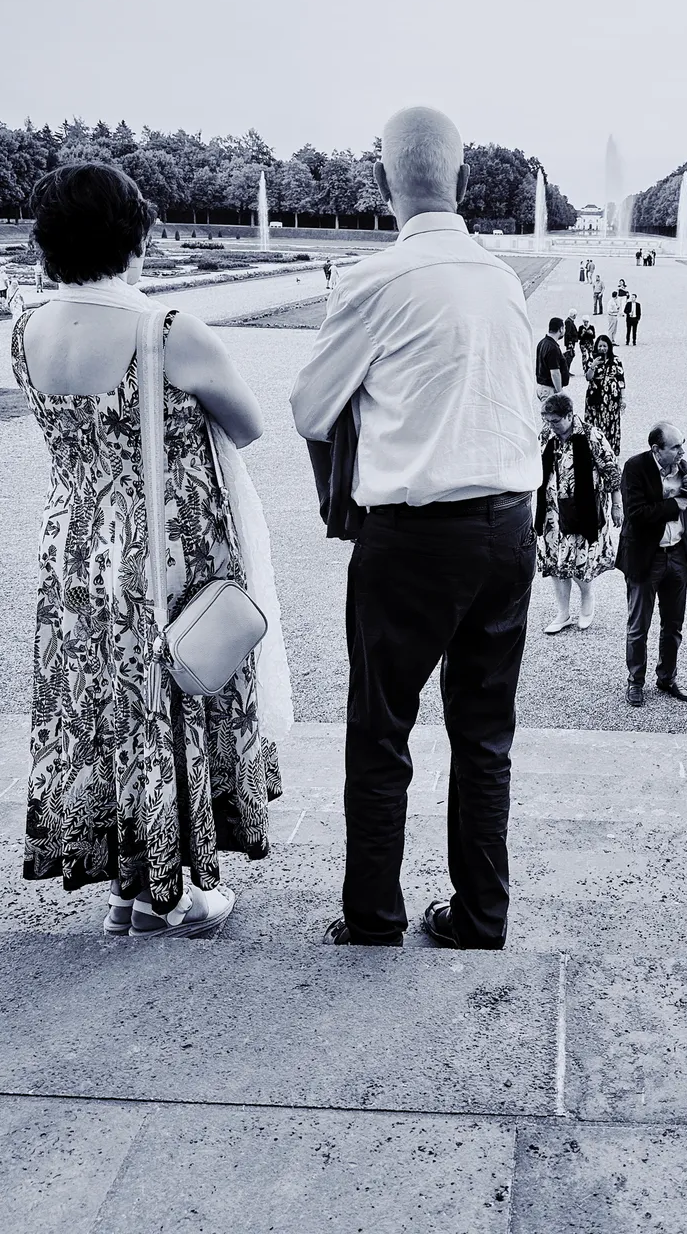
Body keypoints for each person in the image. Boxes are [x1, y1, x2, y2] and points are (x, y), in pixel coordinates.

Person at [290, 106, 541, 951]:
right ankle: (480, 917)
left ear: (378, 183)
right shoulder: (503, 277)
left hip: (414, 536)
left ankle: (374, 916)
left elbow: (309, 407)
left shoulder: (377, 278)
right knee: (482, 735)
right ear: (464, 182)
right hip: (510, 526)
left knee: (381, 727)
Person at [14, 162, 281, 939]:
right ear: (132, 234)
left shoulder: (23, 330)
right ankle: (177, 895)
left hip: (71, 549)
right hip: (158, 552)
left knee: (99, 707)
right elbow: (249, 424)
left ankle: (126, 889)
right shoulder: (165, 329)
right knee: (166, 706)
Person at [617, 424, 687, 707]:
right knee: (638, 625)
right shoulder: (635, 467)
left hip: (677, 555)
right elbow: (635, 513)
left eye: (682, 445)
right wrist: (675, 504)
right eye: (676, 447)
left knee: (674, 624)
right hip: (647, 556)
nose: (682, 452)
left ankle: (667, 677)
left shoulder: (682, 467)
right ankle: (635, 682)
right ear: (657, 450)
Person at [535, 395, 623, 634]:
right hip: (552, 512)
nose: (550, 425)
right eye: (547, 420)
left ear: (569, 415)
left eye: (555, 420)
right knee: (556, 563)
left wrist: (617, 505)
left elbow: (612, 470)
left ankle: (587, 599)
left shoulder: (592, 436)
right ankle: (562, 613)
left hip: (583, 510)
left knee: (579, 561)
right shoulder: (546, 435)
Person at [584, 333, 627, 453]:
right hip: (594, 397)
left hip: (611, 398)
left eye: (604, 346)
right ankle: (595, 450)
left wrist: (623, 399)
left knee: (611, 422)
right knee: (594, 423)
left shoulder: (616, 360)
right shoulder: (591, 359)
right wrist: (593, 366)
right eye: (600, 346)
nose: (602, 348)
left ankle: (610, 450)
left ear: (609, 346)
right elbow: (588, 377)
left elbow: (621, 380)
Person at [535, 316, 569, 411]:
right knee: (551, 422)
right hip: (550, 389)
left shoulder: (542, 343)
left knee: (550, 421)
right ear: (561, 329)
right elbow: (555, 373)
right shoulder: (552, 347)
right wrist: (560, 392)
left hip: (543, 388)